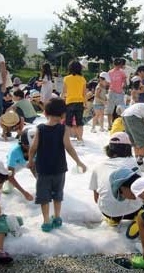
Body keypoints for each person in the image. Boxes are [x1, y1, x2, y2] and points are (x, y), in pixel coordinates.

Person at [27, 97, 87, 232]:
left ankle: (46, 221)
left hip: (43, 169)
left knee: (44, 197)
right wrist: (79, 162)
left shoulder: (40, 128)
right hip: (59, 169)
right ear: (63, 114)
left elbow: (33, 147)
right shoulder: (63, 129)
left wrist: (30, 161)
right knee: (57, 194)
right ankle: (58, 217)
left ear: (45, 113)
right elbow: (69, 147)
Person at [90, 132, 144, 232]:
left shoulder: (98, 166)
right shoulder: (132, 163)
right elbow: (140, 189)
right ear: (128, 148)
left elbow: (96, 197)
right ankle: (139, 218)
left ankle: (113, 220)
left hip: (107, 212)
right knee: (142, 205)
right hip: (132, 211)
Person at [3, 126, 38, 201]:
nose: (35, 148)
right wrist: (24, 192)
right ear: (24, 145)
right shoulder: (14, 153)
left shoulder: (38, 149)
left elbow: (33, 167)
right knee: (8, 177)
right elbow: (10, 175)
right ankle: (8, 183)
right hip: (17, 163)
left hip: (32, 162)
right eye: (32, 146)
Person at [62, 60, 87, 146]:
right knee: (79, 122)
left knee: (68, 122)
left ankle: (66, 140)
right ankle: (80, 139)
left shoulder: (66, 78)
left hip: (69, 102)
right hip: (80, 102)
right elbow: (84, 93)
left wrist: (61, 101)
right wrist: (85, 103)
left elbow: (64, 92)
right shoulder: (82, 79)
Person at [106, 58, 128, 130]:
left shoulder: (122, 72)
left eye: (119, 65)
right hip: (112, 91)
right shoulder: (109, 72)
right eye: (116, 64)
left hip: (119, 92)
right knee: (110, 109)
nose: (117, 66)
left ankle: (121, 124)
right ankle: (110, 125)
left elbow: (125, 82)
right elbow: (107, 82)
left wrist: (123, 86)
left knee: (121, 109)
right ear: (114, 64)